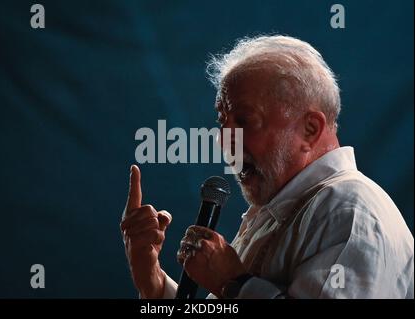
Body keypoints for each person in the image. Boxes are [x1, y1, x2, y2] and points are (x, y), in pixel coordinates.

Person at [120, 35, 414, 299]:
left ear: (310, 129)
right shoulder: (284, 211)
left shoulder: (347, 211)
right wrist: (152, 280)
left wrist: (232, 282)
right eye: (223, 124)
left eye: (244, 121)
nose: (225, 142)